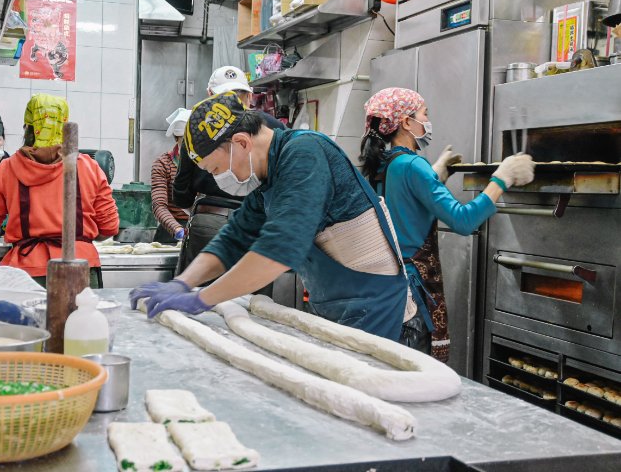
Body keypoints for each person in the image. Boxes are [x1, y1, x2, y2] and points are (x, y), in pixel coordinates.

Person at [130, 92, 415, 343]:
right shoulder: (268, 177)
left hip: (374, 305)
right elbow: (234, 239)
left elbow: (278, 251)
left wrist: (201, 299)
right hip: (336, 302)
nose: (218, 180)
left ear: (241, 142)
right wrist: (182, 282)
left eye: (216, 169)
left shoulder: (305, 154)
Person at [360, 87, 535, 361]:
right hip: (414, 297)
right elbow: (463, 221)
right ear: (406, 122)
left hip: (390, 290)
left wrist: (436, 175)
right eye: (424, 114)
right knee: (417, 382)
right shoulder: (411, 165)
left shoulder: (382, 165)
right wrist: (502, 178)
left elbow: (407, 209)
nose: (428, 121)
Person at [0, 93, 119, 288]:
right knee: (80, 319)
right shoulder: (89, 167)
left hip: (27, 273)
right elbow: (109, 227)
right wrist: (81, 238)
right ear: (64, 124)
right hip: (80, 269)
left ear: (28, 126)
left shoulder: (6, 169)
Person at [172, 67, 287, 273]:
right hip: (259, 229)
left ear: (209, 96)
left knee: (197, 299)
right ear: (250, 96)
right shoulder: (274, 127)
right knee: (250, 302)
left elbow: (181, 193)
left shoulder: (199, 131)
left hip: (208, 223)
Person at [151, 108, 191, 244]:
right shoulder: (163, 163)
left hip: (200, 226)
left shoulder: (207, 162)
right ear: (176, 138)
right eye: (184, 141)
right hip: (170, 231)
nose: (189, 146)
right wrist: (178, 230)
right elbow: (159, 205)